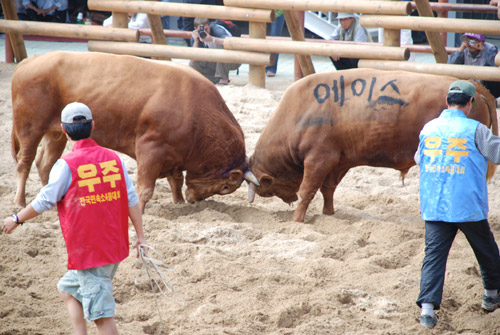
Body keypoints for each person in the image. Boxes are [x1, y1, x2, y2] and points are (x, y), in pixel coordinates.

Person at [2, 102, 147, 334]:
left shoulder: (66, 165)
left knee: (102, 317)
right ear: (92, 126)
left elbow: (44, 201)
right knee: (68, 290)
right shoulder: (115, 159)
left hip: (90, 252)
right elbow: (131, 200)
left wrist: (17, 219)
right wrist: (140, 236)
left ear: (63, 129)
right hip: (114, 246)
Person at [415, 81, 500, 329]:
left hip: (435, 204)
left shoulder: (429, 128)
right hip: (466, 205)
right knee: (486, 251)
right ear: (470, 103)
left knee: (433, 257)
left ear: (447, 101)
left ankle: (428, 311)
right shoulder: (476, 129)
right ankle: (492, 295)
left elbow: (419, 159)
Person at [189, 17, 241, 85]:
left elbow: (229, 42)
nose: (204, 32)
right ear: (195, 29)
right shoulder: (195, 36)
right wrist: (196, 41)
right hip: (215, 62)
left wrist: (212, 39)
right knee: (193, 64)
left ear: (209, 26)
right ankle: (214, 80)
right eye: (201, 30)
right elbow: (193, 60)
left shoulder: (217, 29)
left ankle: (223, 79)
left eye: (206, 29)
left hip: (232, 59)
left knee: (221, 46)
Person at [448, 33, 500, 100]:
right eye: (468, 40)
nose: (470, 44)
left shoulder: (490, 49)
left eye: (473, 41)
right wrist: (460, 50)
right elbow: (451, 65)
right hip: (469, 84)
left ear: (481, 41)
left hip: (487, 87)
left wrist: (483, 50)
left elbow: (494, 66)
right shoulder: (465, 50)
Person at [265, 9, 285, 77]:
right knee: (258, 36)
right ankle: (256, 66)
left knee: (275, 38)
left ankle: (271, 67)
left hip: (278, 11)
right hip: (262, 9)